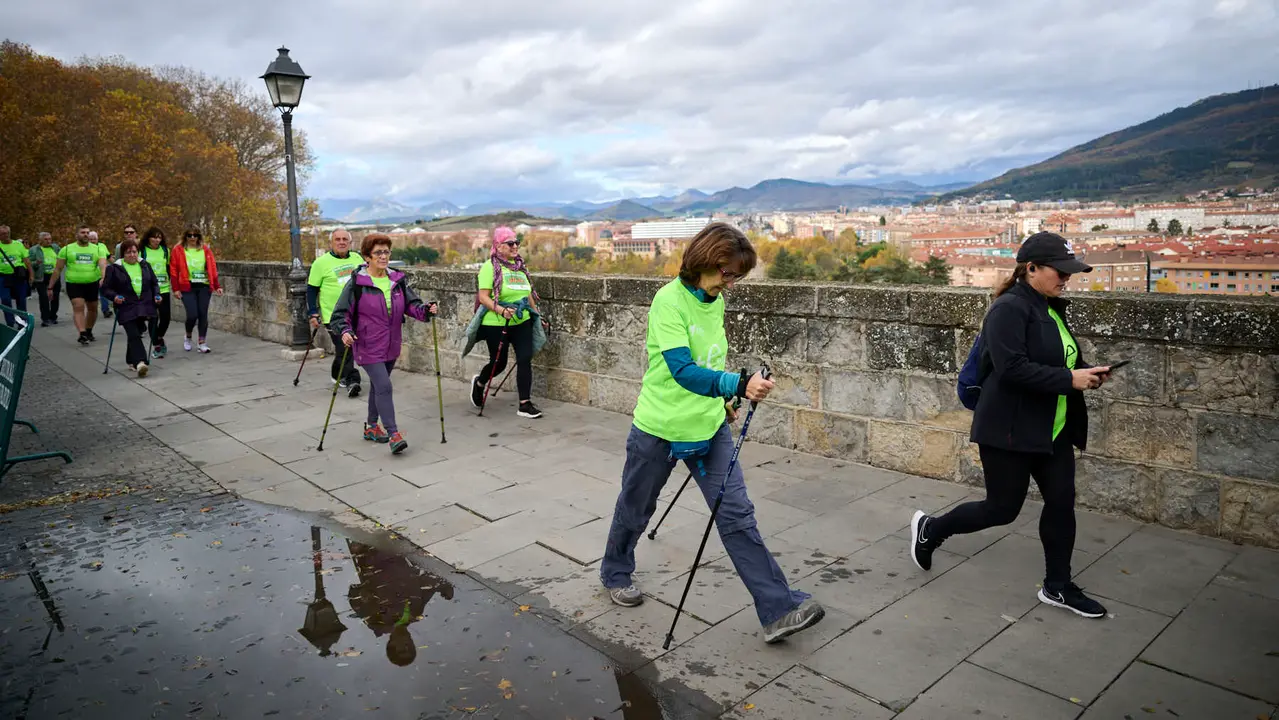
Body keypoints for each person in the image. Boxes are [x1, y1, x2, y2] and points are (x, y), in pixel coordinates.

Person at [598, 222, 825, 645]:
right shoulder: (669, 302)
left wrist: (725, 402)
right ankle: (615, 571)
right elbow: (683, 370)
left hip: (708, 428)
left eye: (737, 275)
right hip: (659, 428)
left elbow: (711, 359)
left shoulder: (714, 300)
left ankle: (778, 609)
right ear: (706, 262)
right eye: (728, 274)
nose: (732, 283)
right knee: (636, 506)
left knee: (737, 514)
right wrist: (736, 385)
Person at [910, 231, 1114, 619]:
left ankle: (1058, 586)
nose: (1067, 278)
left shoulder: (1050, 307)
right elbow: (1012, 368)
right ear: (1031, 268)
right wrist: (1070, 380)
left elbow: (1057, 360)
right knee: (1001, 509)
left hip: (1051, 428)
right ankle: (932, 529)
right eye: (1061, 271)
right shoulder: (1009, 308)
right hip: (1009, 428)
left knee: (1061, 503)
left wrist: (1086, 372)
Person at [329, 233, 438, 455]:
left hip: (391, 344)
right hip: (367, 343)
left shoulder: (396, 280)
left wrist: (426, 311)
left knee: (379, 385)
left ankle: (371, 427)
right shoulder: (357, 283)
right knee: (385, 386)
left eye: (386, 251)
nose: (384, 256)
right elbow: (340, 315)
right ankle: (394, 434)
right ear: (367, 256)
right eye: (378, 252)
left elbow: (412, 305)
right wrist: (346, 331)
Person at [470, 226, 544, 419]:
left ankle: (525, 404)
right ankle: (480, 382)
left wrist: (537, 317)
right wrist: (502, 310)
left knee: (524, 359)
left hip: (522, 320)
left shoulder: (520, 268)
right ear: (498, 246)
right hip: (496, 322)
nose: (514, 246)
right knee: (499, 363)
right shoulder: (489, 267)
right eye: (509, 243)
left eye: (516, 242)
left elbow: (528, 296)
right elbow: (484, 297)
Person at [307, 228, 363, 398]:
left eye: (345, 239)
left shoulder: (357, 258)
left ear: (350, 242)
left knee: (343, 349)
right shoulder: (321, 263)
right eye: (337, 239)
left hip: (355, 312)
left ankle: (336, 373)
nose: (341, 242)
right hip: (334, 315)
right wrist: (313, 313)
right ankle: (352, 380)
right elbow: (311, 289)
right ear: (331, 242)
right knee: (346, 346)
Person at [100, 238, 161, 377]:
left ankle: (130, 359)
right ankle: (141, 362)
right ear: (122, 254)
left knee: (137, 332)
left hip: (144, 304)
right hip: (125, 305)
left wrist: (157, 295)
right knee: (133, 332)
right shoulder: (114, 269)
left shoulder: (145, 265)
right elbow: (105, 289)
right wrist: (115, 296)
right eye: (128, 252)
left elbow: (154, 283)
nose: (132, 255)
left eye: (134, 252)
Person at [48, 225, 109, 344]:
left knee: (92, 309)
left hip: (92, 282)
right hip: (74, 283)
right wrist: (50, 286)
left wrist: (103, 277)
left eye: (87, 232)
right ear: (77, 235)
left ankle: (89, 330)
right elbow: (57, 269)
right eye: (83, 232)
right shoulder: (67, 249)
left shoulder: (97, 249)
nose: (86, 234)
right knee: (78, 306)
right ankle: (82, 333)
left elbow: (103, 264)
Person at [169, 226, 222, 353]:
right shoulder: (178, 250)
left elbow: (212, 268)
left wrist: (217, 285)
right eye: (189, 235)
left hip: (204, 286)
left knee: (203, 314)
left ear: (199, 237)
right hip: (187, 286)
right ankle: (188, 336)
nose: (192, 238)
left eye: (195, 235)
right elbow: (174, 270)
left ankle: (202, 342)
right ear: (185, 236)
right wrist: (175, 288)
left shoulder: (205, 250)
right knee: (192, 315)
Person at [139, 227, 172, 358]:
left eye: (159, 237)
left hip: (164, 288)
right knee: (153, 318)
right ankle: (157, 345)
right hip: (149, 290)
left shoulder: (165, 251)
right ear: (148, 238)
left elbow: (169, 268)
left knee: (166, 318)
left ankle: (158, 337)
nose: (157, 240)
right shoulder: (142, 251)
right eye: (154, 237)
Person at [0, 225, 32, 328]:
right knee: (5, 299)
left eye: (7, 233)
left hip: (18, 276)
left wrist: (31, 274)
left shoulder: (18, 245)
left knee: (21, 299)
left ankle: (22, 322)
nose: (5, 236)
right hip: (3, 276)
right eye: (3, 234)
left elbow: (27, 261)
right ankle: (10, 322)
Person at [30, 232, 61, 327]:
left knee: (55, 297)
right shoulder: (34, 249)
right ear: (40, 240)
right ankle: (45, 318)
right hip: (41, 276)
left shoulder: (55, 247)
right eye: (46, 239)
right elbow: (28, 263)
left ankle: (53, 316)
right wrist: (36, 263)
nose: (48, 241)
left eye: (50, 239)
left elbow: (62, 257)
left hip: (54, 275)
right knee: (43, 297)